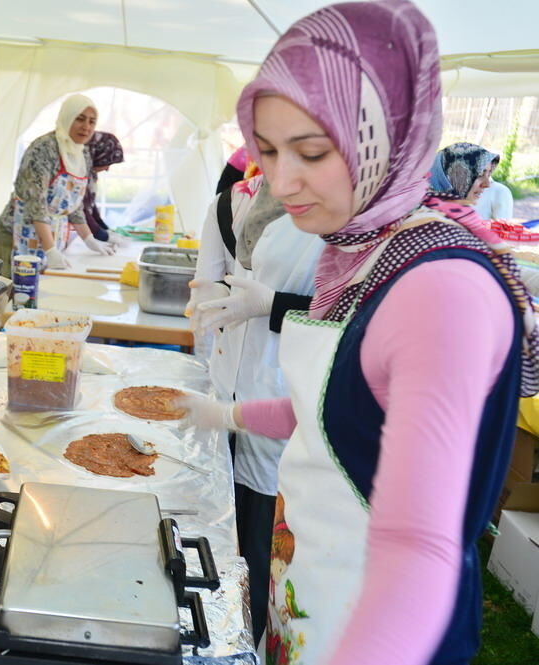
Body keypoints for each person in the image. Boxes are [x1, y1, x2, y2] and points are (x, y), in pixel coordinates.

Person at [183, 1, 536, 663]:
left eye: (311, 151)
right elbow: (335, 410)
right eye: (267, 152)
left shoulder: (440, 289)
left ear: (388, 134)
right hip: (312, 603)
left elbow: (418, 549)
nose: (281, 183)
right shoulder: (361, 252)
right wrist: (221, 411)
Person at [184, 172, 323, 647]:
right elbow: (205, 283)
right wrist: (206, 303)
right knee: (218, 524)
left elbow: (352, 316)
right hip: (224, 387)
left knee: (268, 535)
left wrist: (274, 305)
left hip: (288, 393)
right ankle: (213, 635)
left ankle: (257, 639)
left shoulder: (333, 210)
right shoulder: (228, 203)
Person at [0, 94, 116, 273]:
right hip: (18, 236)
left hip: (51, 238)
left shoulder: (83, 155)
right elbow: (36, 203)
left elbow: (74, 204)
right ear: (67, 117)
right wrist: (50, 250)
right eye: (79, 119)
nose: (86, 127)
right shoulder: (44, 148)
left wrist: (89, 239)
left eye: (92, 122)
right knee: (15, 296)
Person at [81, 131, 126, 244]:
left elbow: (90, 205)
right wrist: (103, 235)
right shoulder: (77, 173)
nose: (107, 169)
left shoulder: (90, 175)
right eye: (106, 162)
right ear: (96, 155)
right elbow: (80, 209)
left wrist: (105, 228)